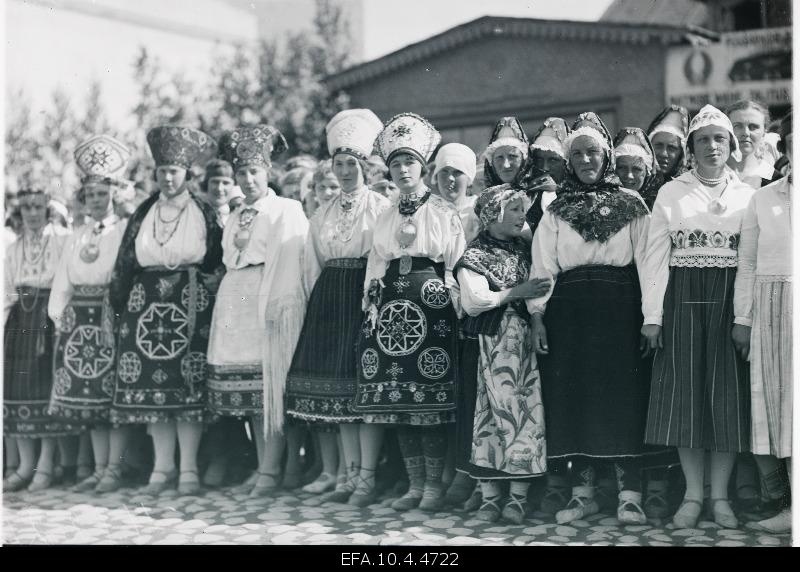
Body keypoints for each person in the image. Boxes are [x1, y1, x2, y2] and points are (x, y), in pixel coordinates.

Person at [530, 112, 652, 525]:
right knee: (575, 398)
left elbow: (651, 265)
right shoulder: (556, 209)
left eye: (593, 153)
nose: (586, 160)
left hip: (620, 308)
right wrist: (537, 317)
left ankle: (629, 494)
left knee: (623, 396)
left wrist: (651, 317)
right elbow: (543, 267)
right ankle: (582, 494)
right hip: (570, 312)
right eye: (577, 153)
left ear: (607, 157)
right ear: (569, 160)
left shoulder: (632, 204)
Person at [641, 104, 756, 529]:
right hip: (683, 300)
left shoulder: (748, 195)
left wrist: (743, 317)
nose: (712, 146)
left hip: (728, 300)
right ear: (690, 148)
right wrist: (652, 314)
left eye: (719, 139)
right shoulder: (672, 193)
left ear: (731, 145)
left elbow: (749, 261)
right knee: (685, 399)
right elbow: (654, 257)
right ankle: (692, 495)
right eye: (703, 139)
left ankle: (720, 498)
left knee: (724, 400)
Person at [355, 113, 465, 512]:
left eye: (410, 163)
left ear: (424, 167)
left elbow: (455, 262)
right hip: (390, 314)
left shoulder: (443, 210)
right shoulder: (385, 213)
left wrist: (453, 302)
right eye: (396, 164)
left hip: (431, 307)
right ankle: (414, 485)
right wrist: (371, 305)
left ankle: (434, 486)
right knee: (399, 401)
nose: (403, 170)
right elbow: (376, 261)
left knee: (429, 403)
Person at [108, 125, 222, 496]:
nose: (167, 177)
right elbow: (125, 261)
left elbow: (218, 260)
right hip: (145, 304)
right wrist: (119, 304)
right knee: (152, 388)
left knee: (185, 386)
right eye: (161, 172)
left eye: (174, 171)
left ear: (187, 174)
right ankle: (162, 467)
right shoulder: (143, 212)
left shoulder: (203, 210)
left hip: (189, 303)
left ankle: (188, 467)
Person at [285, 109, 390, 504]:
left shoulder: (379, 207)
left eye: (352, 164)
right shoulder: (322, 213)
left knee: (362, 392)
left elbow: (381, 255)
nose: (346, 172)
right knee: (340, 396)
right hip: (330, 298)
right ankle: (346, 475)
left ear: (364, 166)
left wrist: (373, 301)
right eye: (339, 164)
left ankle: (367, 477)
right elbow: (312, 262)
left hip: (364, 296)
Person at [208, 124, 309, 497]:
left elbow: (292, 261)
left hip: (270, 296)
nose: (248, 179)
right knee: (252, 389)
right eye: (241, 173)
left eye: (254, 172)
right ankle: (263, 464)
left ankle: (274, 468)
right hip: (237, 297)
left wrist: (280, 308)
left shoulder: (286, 209)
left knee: (272, 386)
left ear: (268, 173)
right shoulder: (236, 214)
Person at [454, 184, 550, 524]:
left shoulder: (525, 249)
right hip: (487, 341)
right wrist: (515, 292)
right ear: (491, 214)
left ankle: (519, 497)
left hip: (522, 343)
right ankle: (490, 497)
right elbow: (474, 301)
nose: (521, 215)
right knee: (488, 414)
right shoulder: (475, 254)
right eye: (512, 209)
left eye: (522, 209)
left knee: (525, 411)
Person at [46, 135, 131, 493]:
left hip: (111, 314)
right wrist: (58, 316)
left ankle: (115, 468)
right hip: (80, 318)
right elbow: (64, 279)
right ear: (83, 199)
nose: (96, 200)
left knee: (111, 396)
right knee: (90, 398)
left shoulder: (125, 230)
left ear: (113, 194)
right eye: (90, 195)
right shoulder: (76, 234)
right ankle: (98, 468)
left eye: (102, 194)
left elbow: (126, 275)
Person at [734, 111, 793, 534]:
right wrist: (743, 318)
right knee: (776, 406)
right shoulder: (764, 198)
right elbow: (748, 263)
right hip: (770, 310)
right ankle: (784, 501)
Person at [3, 188, 73, 493]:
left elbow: (65, 283)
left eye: (38, 207)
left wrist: (59, 322)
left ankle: (45, 465)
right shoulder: (13, 247)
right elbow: (7, 291)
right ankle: (23, 466)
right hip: (20, 318)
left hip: (48, 317)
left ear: (48, 209)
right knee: (18, 393)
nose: (32, 213)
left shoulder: (61, 240)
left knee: (45, 392)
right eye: (27, 207)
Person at [726, 100, 782, 189]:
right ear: (726, 130)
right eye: (737, 126)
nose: (746, 133)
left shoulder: (777, 180)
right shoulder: (709, 175)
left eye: (753, 127)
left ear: (764, 134)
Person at [644, 105, 691, 210]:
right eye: (659, 146)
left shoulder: (690, 187)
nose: (664, 153)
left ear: (681, 153)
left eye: (672, 148)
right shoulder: (637, 182)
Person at [433, 143, 480, 242]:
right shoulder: (428, 210)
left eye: (457, 172)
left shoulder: (479, 209)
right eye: (444, 171)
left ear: (469, 179)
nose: (450, 178)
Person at [613, 127, 657, 194]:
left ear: (647, 173)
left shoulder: (660, 200)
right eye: (622, 168)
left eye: (637, 169)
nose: (629, 175)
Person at [200, 159, 235, 225]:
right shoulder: (195, 212)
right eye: (215, 182)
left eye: (226, 183)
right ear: (206, 184)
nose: (219, 188)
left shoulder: (237, 215)